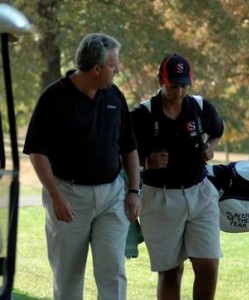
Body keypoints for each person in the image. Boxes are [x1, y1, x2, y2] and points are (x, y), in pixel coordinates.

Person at [23, 33, 142, 300]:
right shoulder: (54, 98)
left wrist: (134, 191)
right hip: (69, 198)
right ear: (96, 69)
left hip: (113, 196)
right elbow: (37, 152)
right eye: (114, 65)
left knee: (113, 271)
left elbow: (129, 147)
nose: (118, 69)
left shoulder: (114, 95)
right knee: (68, 275)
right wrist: (55, 195)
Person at [131, 54, 224, 300]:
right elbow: (123, 153)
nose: (180, 91)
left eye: (184, 85)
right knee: (171, 271)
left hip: (200, 193)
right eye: (174, 85)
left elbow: (217, 131)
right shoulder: (143, 114)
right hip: (160, 197)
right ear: (161, 81)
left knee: (208, 265)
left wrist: (210, 147)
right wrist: (146, 161)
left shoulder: (201, 107)